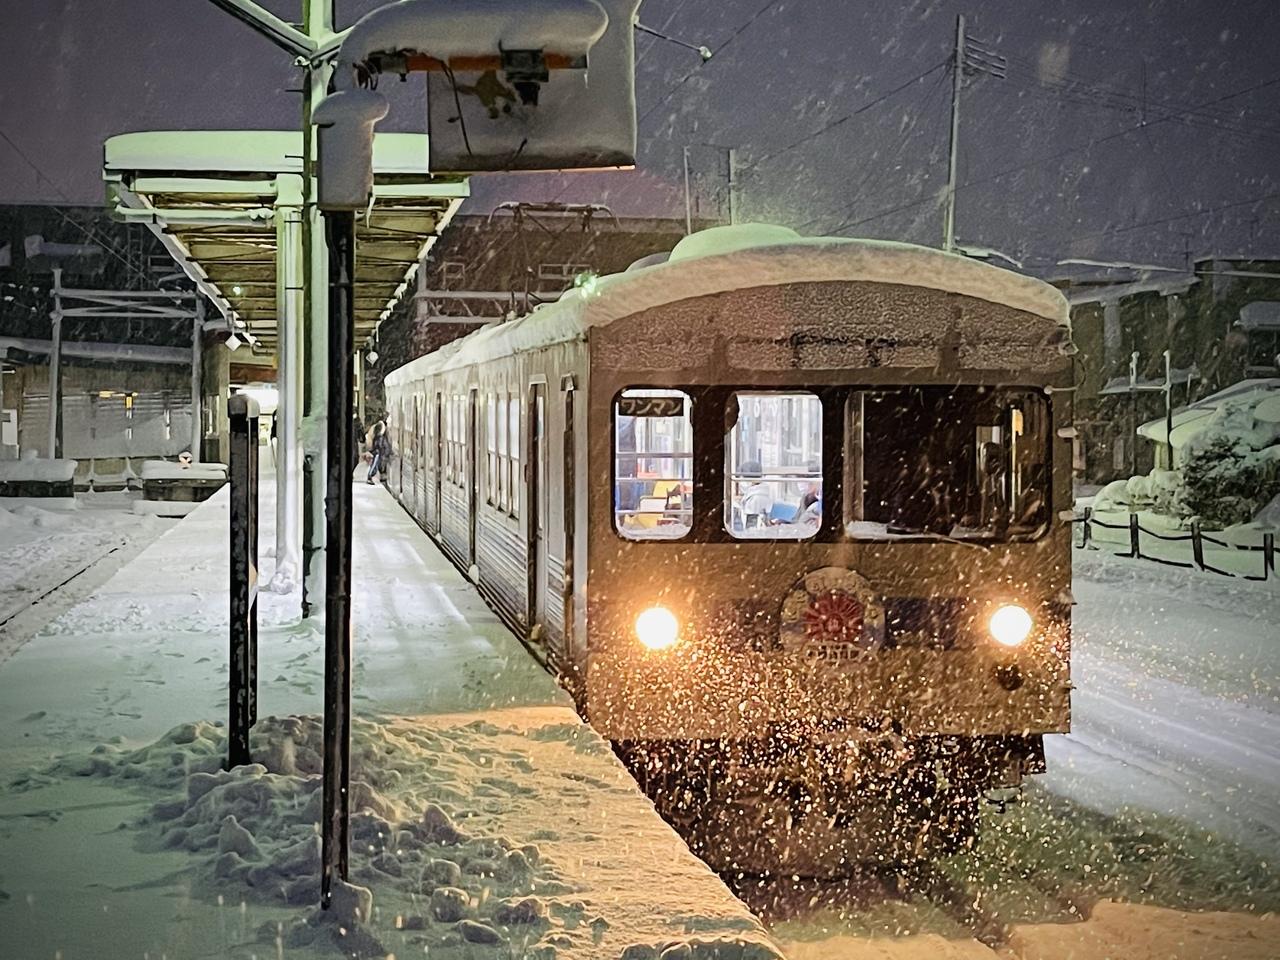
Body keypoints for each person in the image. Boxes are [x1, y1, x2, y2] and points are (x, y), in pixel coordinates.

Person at [366, 418, 391, 485]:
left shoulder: (375, 435)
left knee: (375, 465)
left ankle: (371, 476)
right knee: (374, 465)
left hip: (376, 452)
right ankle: (370, 476)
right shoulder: (380, 437)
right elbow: (381, 445)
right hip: (377, 452)